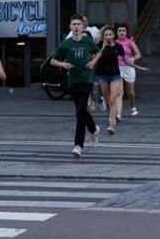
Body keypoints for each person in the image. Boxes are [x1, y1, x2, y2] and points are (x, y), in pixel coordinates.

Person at [50, 14, 99, 158]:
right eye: (74, 24)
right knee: (80, 112)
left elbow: (98, 52)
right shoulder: (66, 44)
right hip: (73, 81)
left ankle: (78, 145)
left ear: (83, 27)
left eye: (79, 24)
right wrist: (62, 64)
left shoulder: (88, 42)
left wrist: (93, 62)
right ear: (70, 27)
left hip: (86, 80)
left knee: (80, 111)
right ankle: (93, 128)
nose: (77, 27)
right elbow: (53, 60)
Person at [89, 27, 125, 135]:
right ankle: (111, 115)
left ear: (113, 36)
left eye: (110, 34)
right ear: (103, 36)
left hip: (115, 75)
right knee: (107, 99)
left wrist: (136, 66)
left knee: (113, 99)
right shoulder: (99, 46)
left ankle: (112, 124)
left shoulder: (118, 46)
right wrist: (103, 48)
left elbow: (125, 58)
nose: (108, 37)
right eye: (106, 35)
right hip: (102, 75)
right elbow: (95, 58)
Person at [116, 24, 147, 117]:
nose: (121, 32)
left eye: (123, 30)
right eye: (120, 30)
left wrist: (133, 58)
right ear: (116, 32)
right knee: (119, 91)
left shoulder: (130, 42)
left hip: (128, 67)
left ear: (126, 32)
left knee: (130, 92)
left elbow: (138, 54)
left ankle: (133, 106)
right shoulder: (114, 42)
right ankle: (118, 113)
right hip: (117, 68)